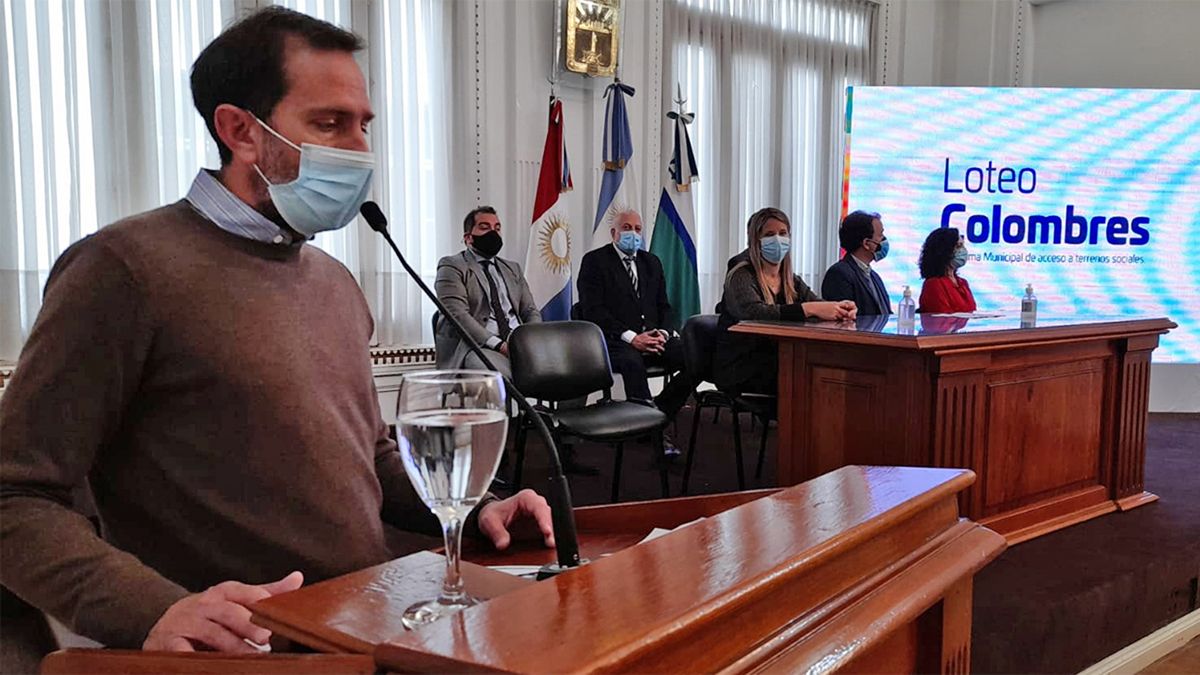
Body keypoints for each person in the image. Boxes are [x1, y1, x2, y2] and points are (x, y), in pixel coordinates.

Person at [0, 7, 553, 654]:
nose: (359, 150)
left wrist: (472, 507)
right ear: (240, 131)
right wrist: (152, 610)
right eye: (330, 124)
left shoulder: (335, 281)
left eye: (364, 125)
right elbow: (15, 495)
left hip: (367, 625)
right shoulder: (122, 269)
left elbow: (370, 458)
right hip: (244, 653)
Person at [577, 208, 699, 452]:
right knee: (632, 362)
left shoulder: (651, 262)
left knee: (694, 358)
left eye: (637, 229)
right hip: (615, 340)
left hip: (654, 337)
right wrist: (632, 338)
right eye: (626, 228)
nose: (633, 233)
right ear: (613, 233)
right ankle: (653, 433)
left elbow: (664, 307)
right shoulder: (595, 261)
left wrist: (663, 333)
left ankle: (659, 411)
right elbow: (593, 311)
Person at [714, 208, 857, 395]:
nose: (777, 240)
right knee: (808, 376)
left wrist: (841, 309)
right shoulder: (741, 275)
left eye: (783, 233)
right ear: (756, 241)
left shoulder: (791, 279)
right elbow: (754, 313)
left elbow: (818, 305)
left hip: (778, 359)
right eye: (769, 234)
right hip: (741, 364)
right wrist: (807, 309)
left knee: (823, 370)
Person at [435, 206, 542, 378]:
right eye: (484, 227)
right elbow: (457, 314)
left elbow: (530, 310)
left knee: (569, 370)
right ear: (468, 238)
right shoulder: (452, 266)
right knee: (498, 377)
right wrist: (499, 345)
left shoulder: (512, 268)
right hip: (479, 346)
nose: (493, 233)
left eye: (497, 228)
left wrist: (531, 340)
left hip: (520, 344)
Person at [820, 210, 892, 315]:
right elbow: (844, 318)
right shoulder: (839, 274)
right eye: (881, 235)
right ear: (866, 243)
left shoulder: (874, 276)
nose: (884, 239)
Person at [918, 227, 977, 313]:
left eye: (963, 246)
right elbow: (941, 318)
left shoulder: (963, 283)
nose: (963, 250)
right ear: (944, 251)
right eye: (958, 246)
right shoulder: (934, 284)